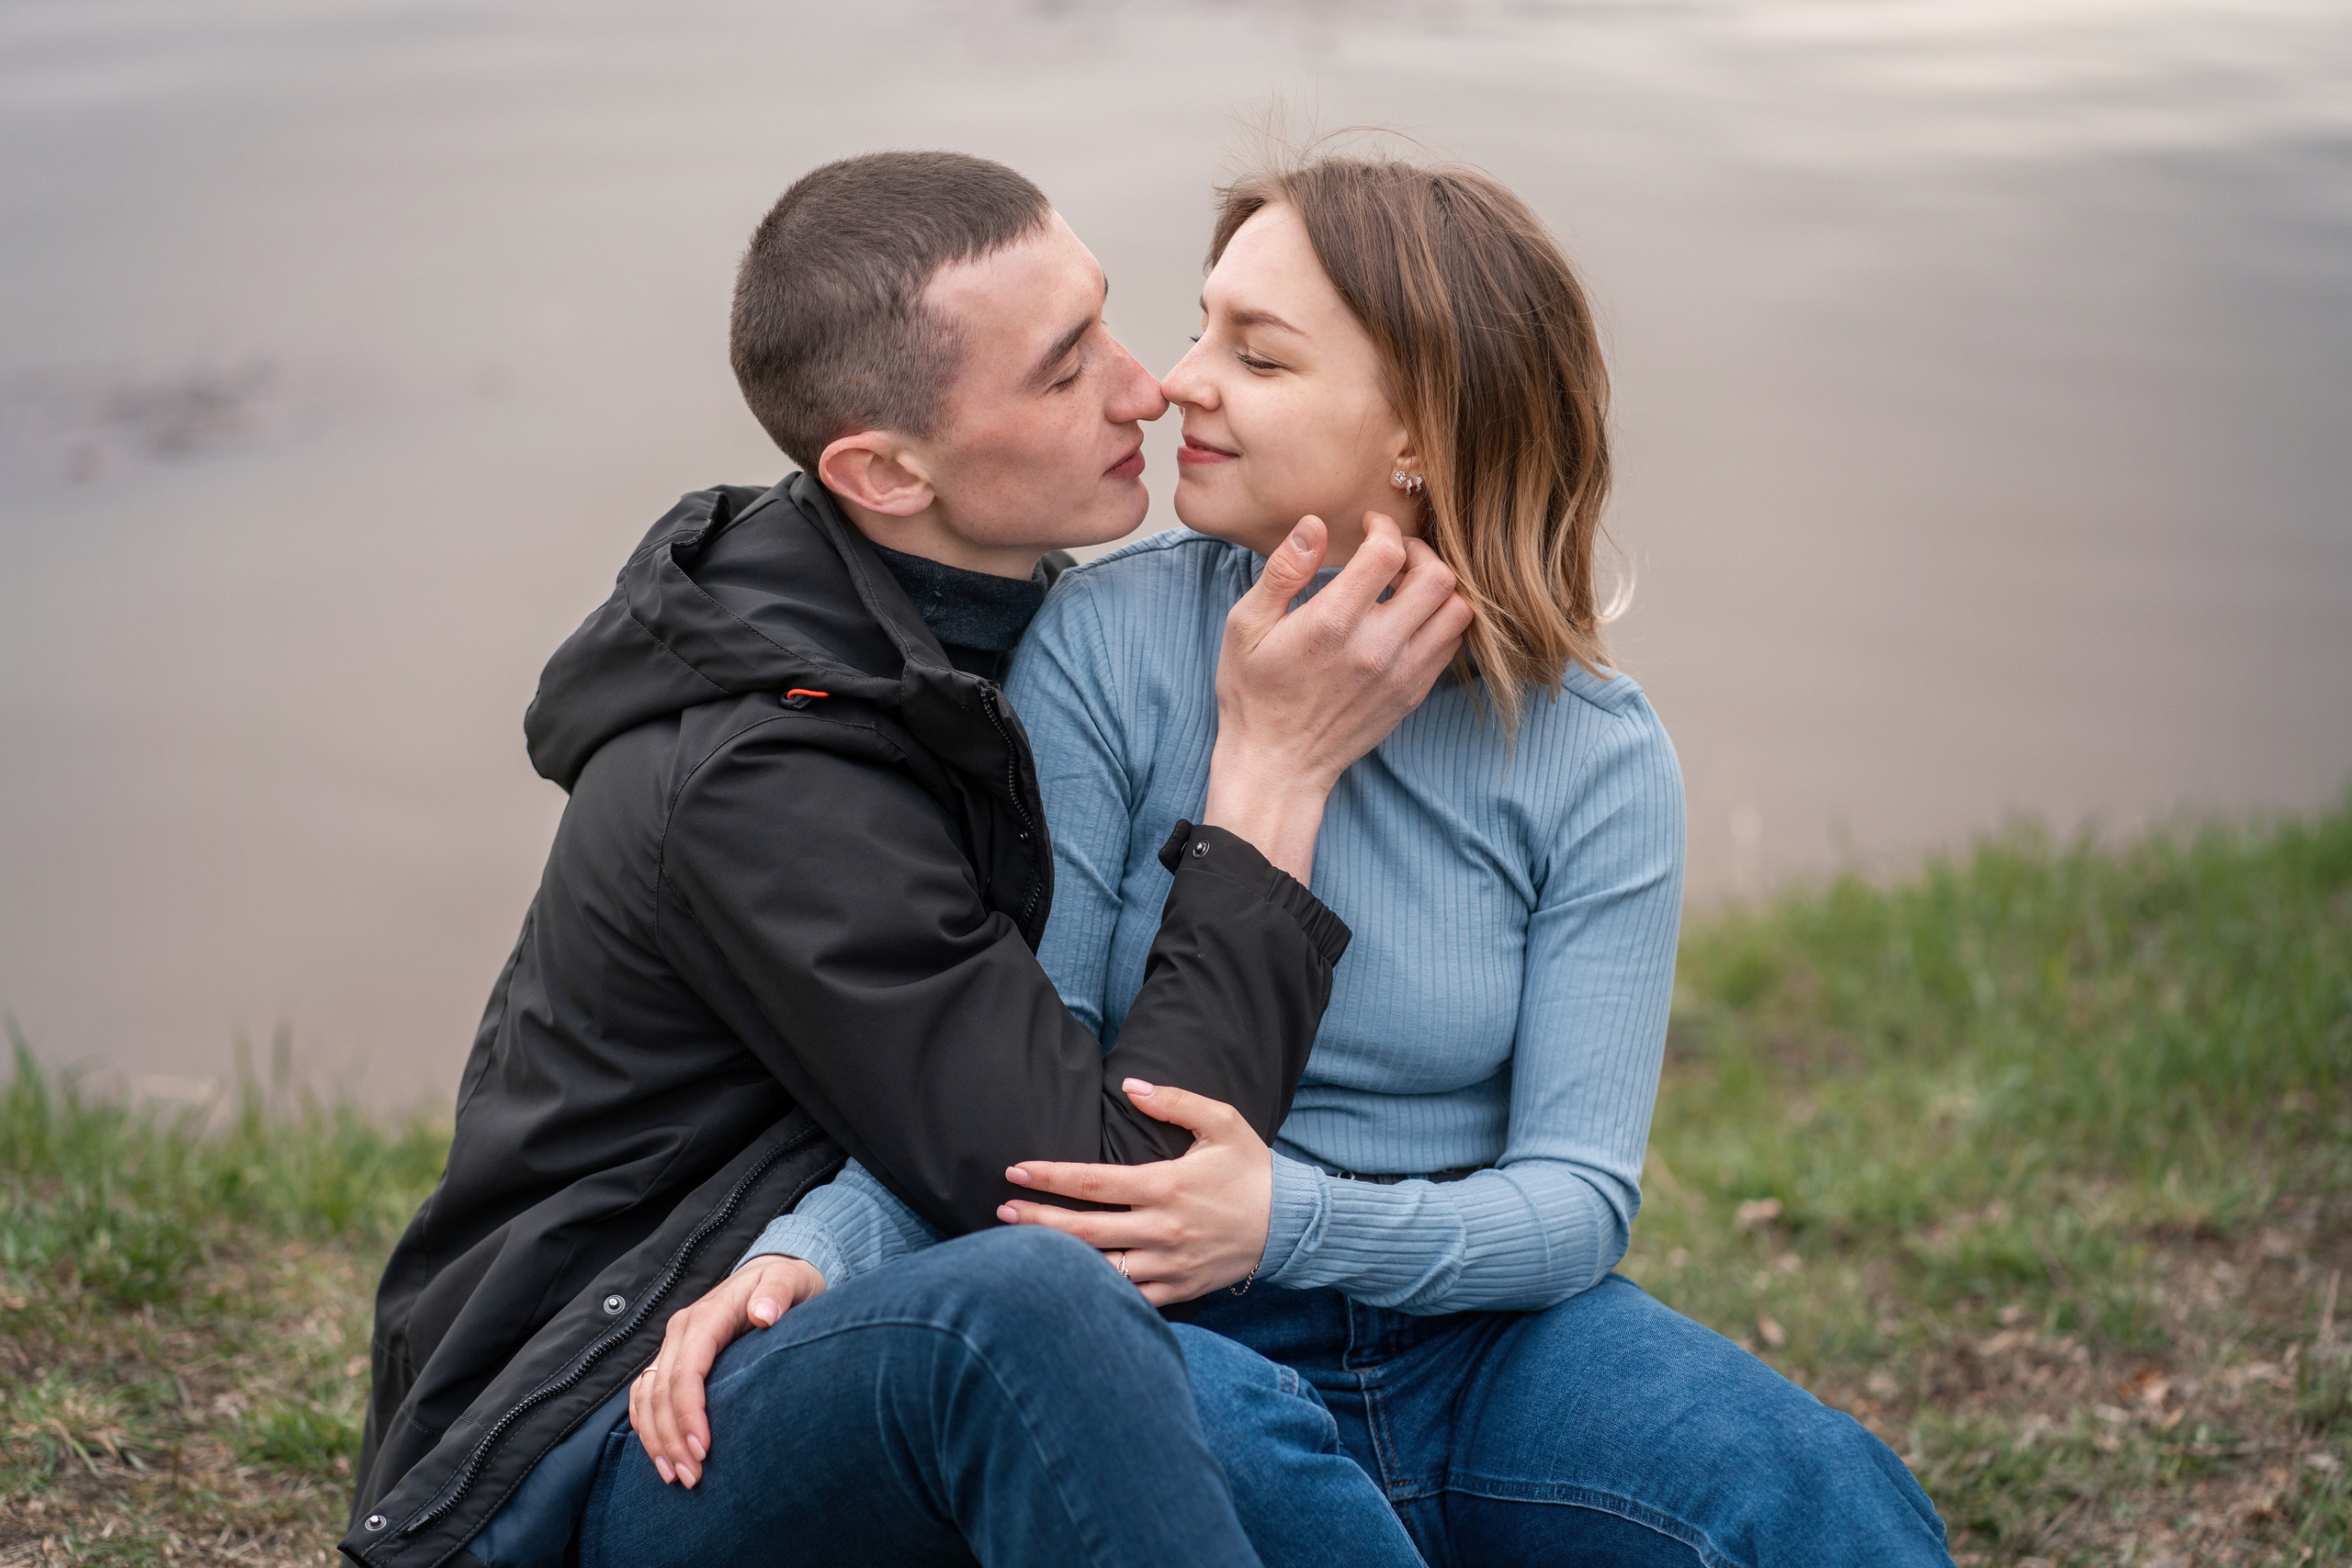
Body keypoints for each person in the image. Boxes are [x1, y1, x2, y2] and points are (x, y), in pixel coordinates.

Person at [649, 152, 1956, 1566]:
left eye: (1256, 355)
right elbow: (1020, 1076)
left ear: (1421, 433)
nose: (1176, 382)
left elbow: (1579, 1199)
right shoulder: (1104, 648)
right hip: (1178, 1332)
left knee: (1817, 1494)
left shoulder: (1598, 755)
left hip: (1482, 1343)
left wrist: (1280, 1219)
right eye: (1204, 323)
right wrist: (816, 1253)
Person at [340, 151, 1471, 1568]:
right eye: (1064, 374)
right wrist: (1277, 777)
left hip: (857, 1286)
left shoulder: (995, 636)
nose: (1150, 387)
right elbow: (1121, 1199)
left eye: (1111, 320)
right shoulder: (769, 782)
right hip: (600, 1437)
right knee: (1039, 1316)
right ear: (882, 471)